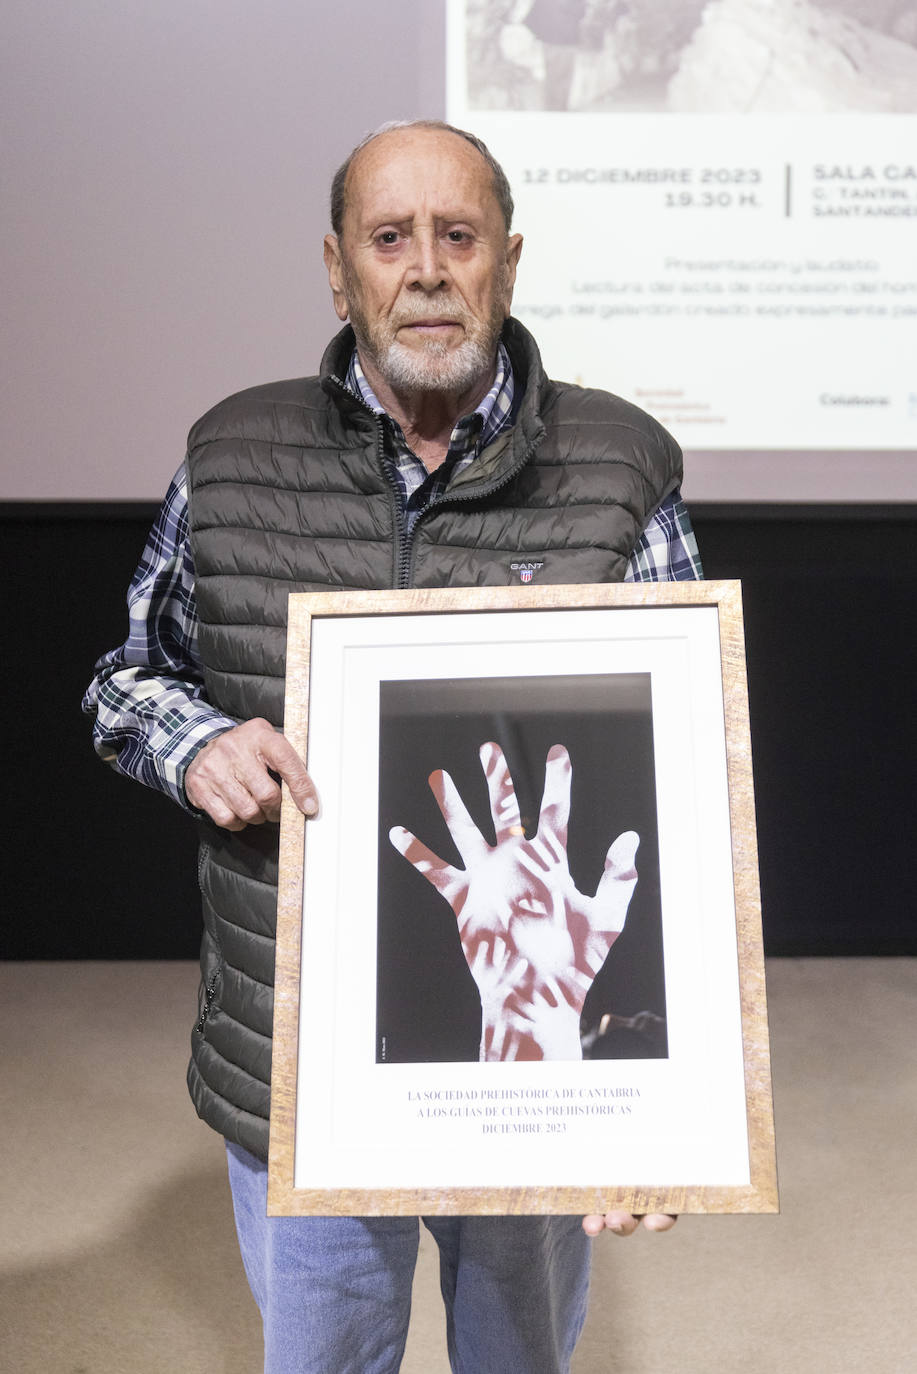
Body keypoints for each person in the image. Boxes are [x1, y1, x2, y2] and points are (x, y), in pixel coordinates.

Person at [84, 119, 701, 1374]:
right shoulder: (231, 457)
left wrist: (664, 1101)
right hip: (304, 1068)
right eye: (388, 237)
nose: (424, 269)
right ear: (337, 269)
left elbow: (684, 797)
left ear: (506, 263)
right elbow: (125, 680)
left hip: (537, 1056)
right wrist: (196, 740)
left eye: (457, 236)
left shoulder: (619, 466)